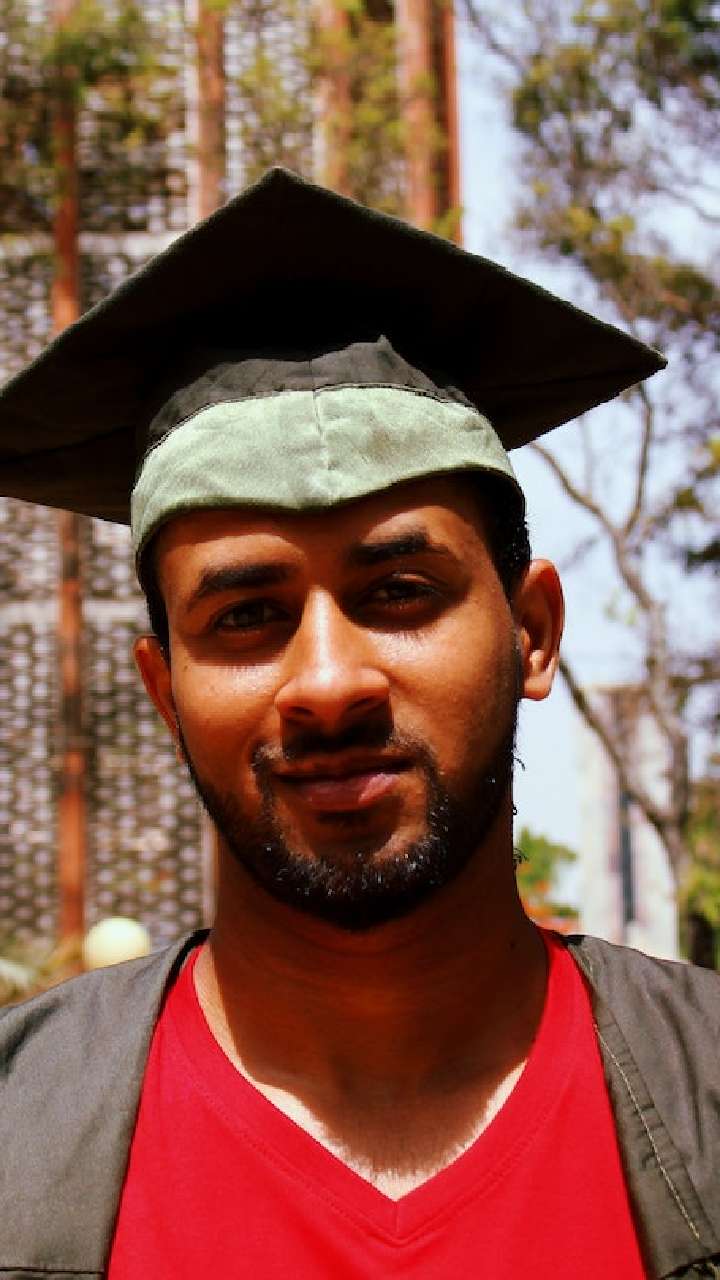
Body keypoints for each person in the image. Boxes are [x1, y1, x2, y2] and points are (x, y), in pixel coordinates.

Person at [0, 168, 717, 1280]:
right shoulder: (21, 1141)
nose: (329, 683)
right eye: (247, 615)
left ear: (531, 633)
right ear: (164, 691)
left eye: (400, 592)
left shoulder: (704, 1094)